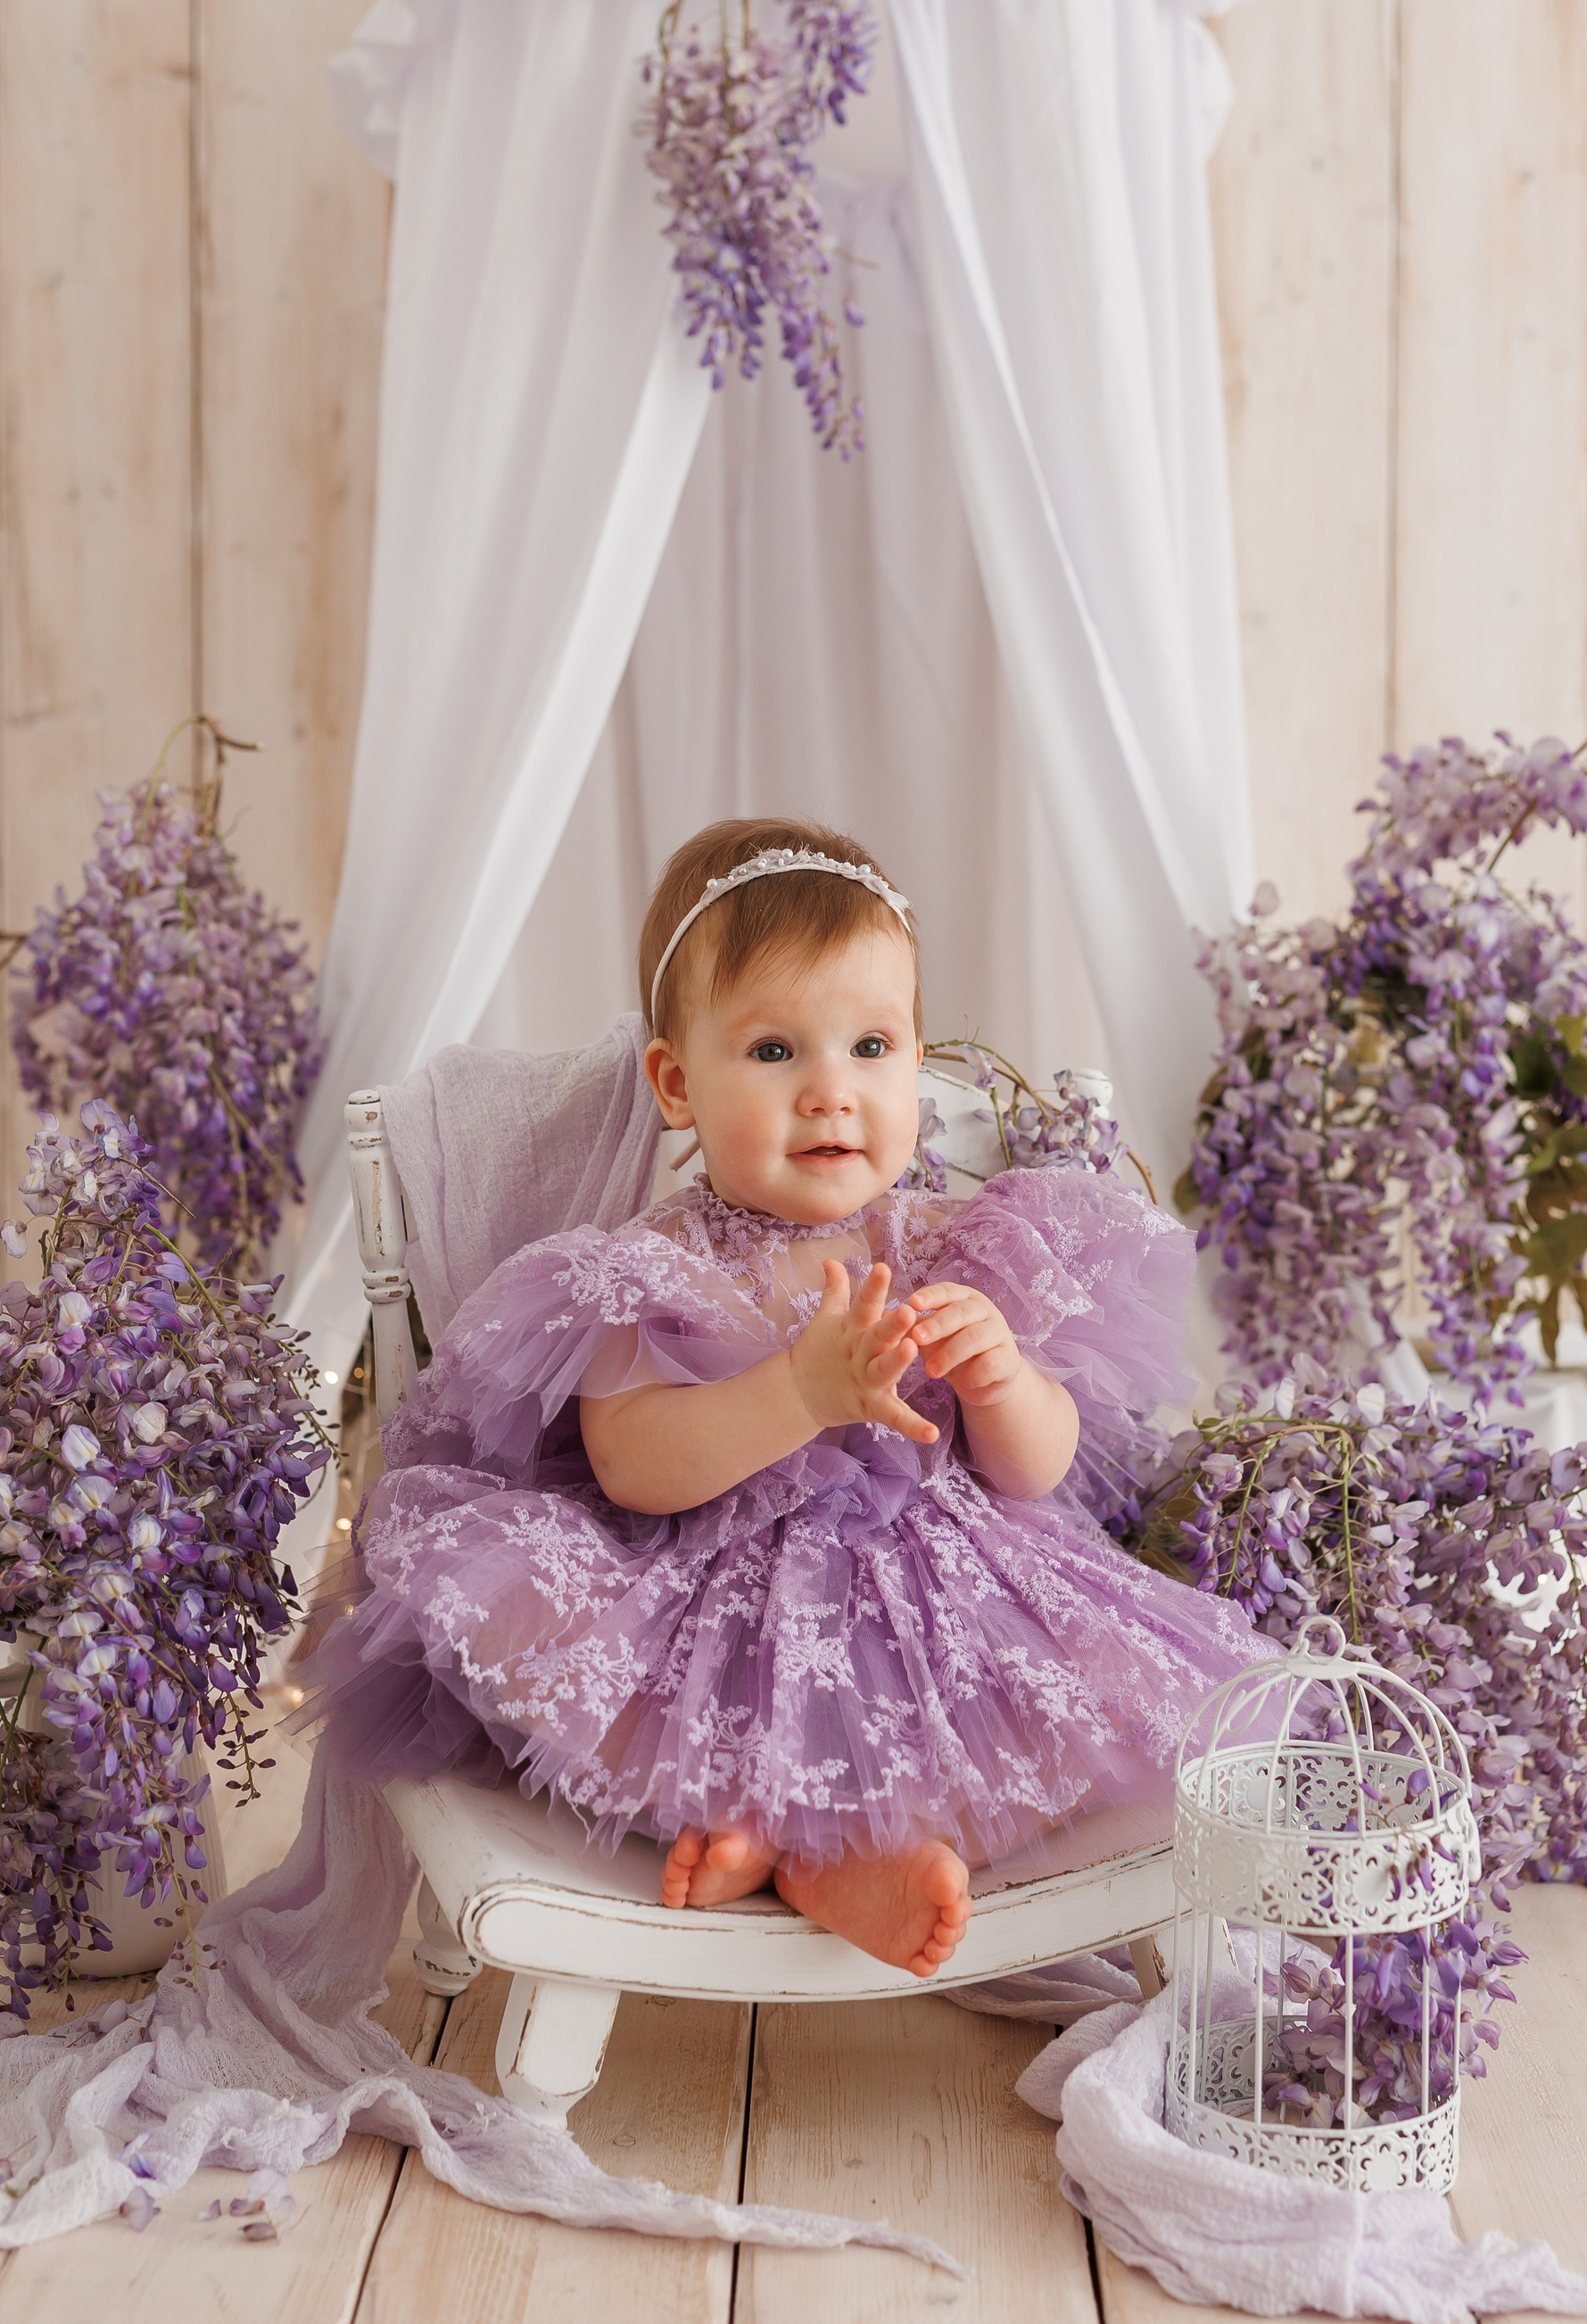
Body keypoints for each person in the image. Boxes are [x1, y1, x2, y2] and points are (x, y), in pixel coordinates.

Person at [310, 819, 1271, 1981]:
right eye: (774, 1051)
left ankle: (830, 1851)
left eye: (871, 1046)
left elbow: (1040, 1471)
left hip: (943, 1600)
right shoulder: (655, 1264)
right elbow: (633, 1466)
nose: (830, 1093)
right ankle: (761, 1827)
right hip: (708, 1593)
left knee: (1098, 1704)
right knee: (531, 1629)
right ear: (677, 1084)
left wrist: (1004, 1380)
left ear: (915, 1060)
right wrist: (799, 1394)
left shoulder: (961, 1246)